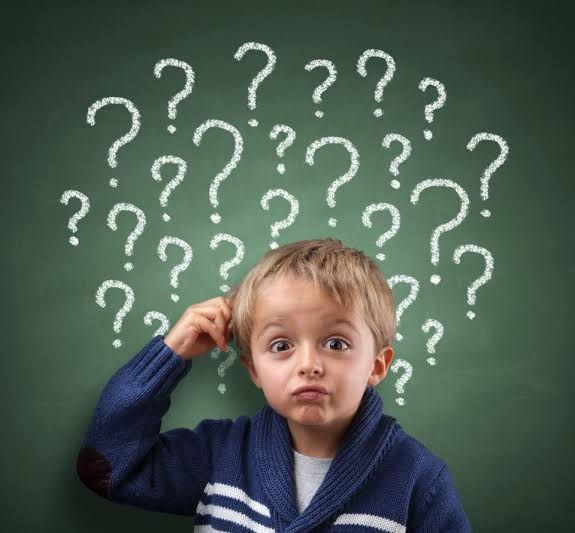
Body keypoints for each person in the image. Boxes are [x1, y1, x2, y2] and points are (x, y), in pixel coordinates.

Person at [76, 237, 472, 532]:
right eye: (281, 345)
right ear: (253, 369)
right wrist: (171, 353)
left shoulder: (418, 480)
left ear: (377, 364)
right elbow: (107, 467)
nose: (309, 364)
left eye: (336, 343)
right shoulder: (220, 455)